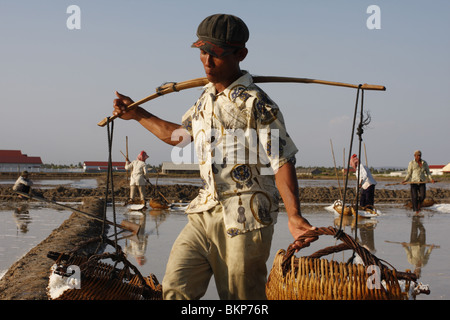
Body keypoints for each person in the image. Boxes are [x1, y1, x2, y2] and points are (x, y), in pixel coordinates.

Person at [112, 14, 316, 300]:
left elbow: (281, 159)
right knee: (175, 287)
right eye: (203, 52)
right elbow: (178, 136)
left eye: (217, 55)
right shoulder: (205, 99)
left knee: (240, 298)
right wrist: (137, 115)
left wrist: (294, 215)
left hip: (247, 217)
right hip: (204, 212)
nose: (207, 62)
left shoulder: (256, 103)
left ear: (240, 54)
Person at [402, 150, 435, 214]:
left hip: (422, 181)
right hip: (414, 182)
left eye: (420, 155)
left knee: (423, 196)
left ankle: (418, 205)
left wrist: (431, 179)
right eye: (417, 155)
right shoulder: (411, 163)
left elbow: (428, 172)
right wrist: (405, 180)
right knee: (414, 197)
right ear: (415, 156)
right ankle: (416, 210)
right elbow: (409, 173)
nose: (419, 157)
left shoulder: (424, 163)